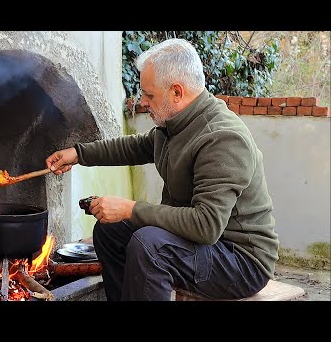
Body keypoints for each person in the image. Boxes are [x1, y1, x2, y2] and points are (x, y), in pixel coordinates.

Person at [45, 38, 279, 301]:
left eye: (149, 95)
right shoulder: (177, 124)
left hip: (240, 261)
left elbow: (206, 225)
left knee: (150, 246)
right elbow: (134, 147)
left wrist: (131, 209)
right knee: (109, 230)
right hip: (204, 245)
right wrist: (78, 154)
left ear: (177, 92)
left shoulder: (222, 139)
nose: (142, 101)